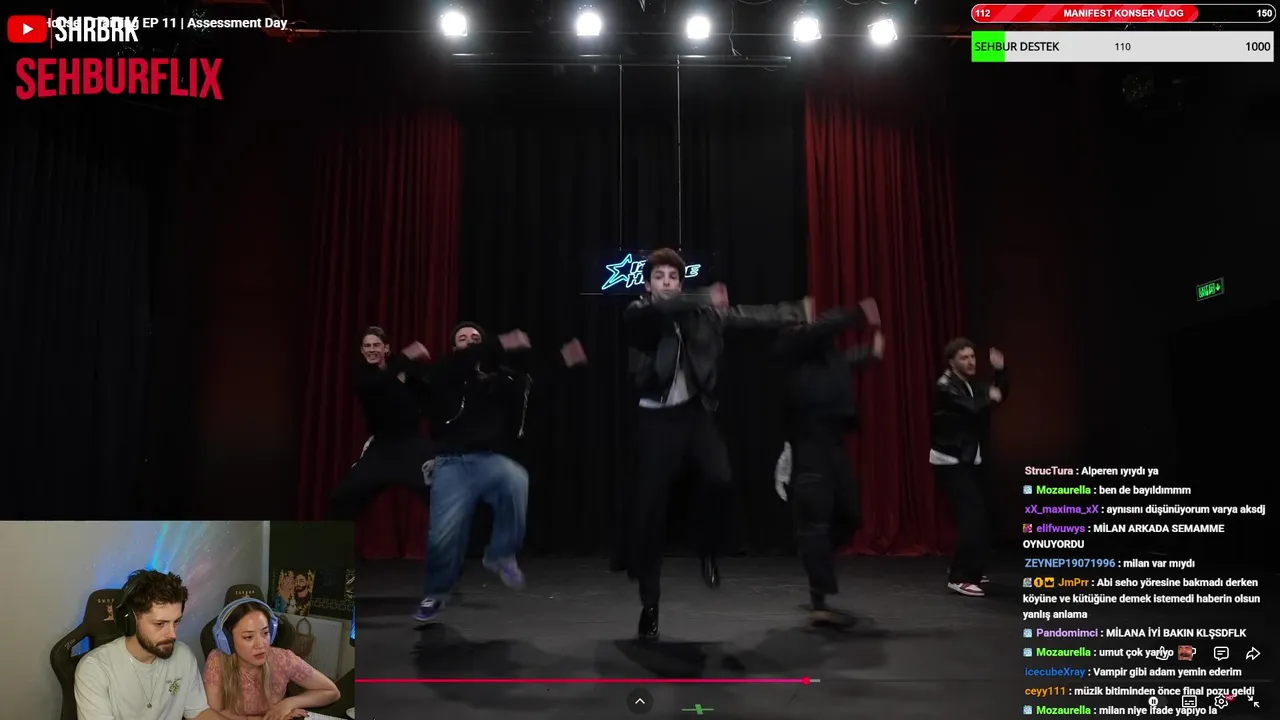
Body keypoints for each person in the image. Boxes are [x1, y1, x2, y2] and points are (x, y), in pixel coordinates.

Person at [619, 247, 811, 641]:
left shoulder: (703, 315)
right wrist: (703, 294)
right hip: (655, 420)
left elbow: (748, 315)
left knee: (720, 478)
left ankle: (707, 549)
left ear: (680, 282)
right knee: (651, 515)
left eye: (673, 277)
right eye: (660, 277)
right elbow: (659, 313)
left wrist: (796, 310)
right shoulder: (639, 313)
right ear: (648, 285)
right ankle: (650, 606)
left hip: (693, 415)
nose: (667, 283)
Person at [414, 322, 588, 622]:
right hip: (451, 463)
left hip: (487, 461)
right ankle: (436, 594)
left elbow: (534, 382)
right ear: (454, 347)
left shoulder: (498, 379)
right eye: (463, 338)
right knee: (442, 537)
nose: (470, 342)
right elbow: (463, 361)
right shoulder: (445, 372)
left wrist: (563, 359)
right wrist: (499, 341)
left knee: (516, 478)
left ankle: (500, 554)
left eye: (475, 337)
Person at [772, 297, 884, 627]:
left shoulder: (823, 353)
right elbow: (822, 328)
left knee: (850, 515)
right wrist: (857, 314)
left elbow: (844, 361)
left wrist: (871, 353)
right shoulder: (791, 343)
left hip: (834, 442)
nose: (813, 317)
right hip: (809, 442)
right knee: (816, 518)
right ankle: (819, 598)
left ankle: (813, 549)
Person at [74, 570, 220, 720]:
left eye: (176, 621)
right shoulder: (95, 669)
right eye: (160, 624)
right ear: (131, 620)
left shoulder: (183, 656)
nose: (172, 634)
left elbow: (199, 713)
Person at [327, 326, 435, 520]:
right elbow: (379, 381)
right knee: (341, 499)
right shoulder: (362, 375)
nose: (371, 349)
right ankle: (333, 539)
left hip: (413, 446)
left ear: (386, 348)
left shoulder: (405, 371)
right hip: (382, 449)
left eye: (376, 345)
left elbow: (428, 395)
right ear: (362, 351)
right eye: (367, 346)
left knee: (440, 497)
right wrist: (406, 356)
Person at [931, 337, 1008, 597]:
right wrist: (991, 397)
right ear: (952, 362)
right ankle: (960, 576)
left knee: (980, 517)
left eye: (973, 356)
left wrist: (1000, 372)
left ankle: (971, 569)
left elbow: (996, 396)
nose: (971, 361)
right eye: (964, 358)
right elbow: (974, 408)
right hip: (950, 462)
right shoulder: (945, 386)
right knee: (972, 519)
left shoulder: (969, 385)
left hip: (968, 459)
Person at [203, 597, 340, 720]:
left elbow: (331, 691)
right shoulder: (217, 661)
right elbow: (212, 712)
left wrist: (288, 703)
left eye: (265, 633)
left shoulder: (282, 659)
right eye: (248, 637)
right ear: (228, 640)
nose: (260, 644)